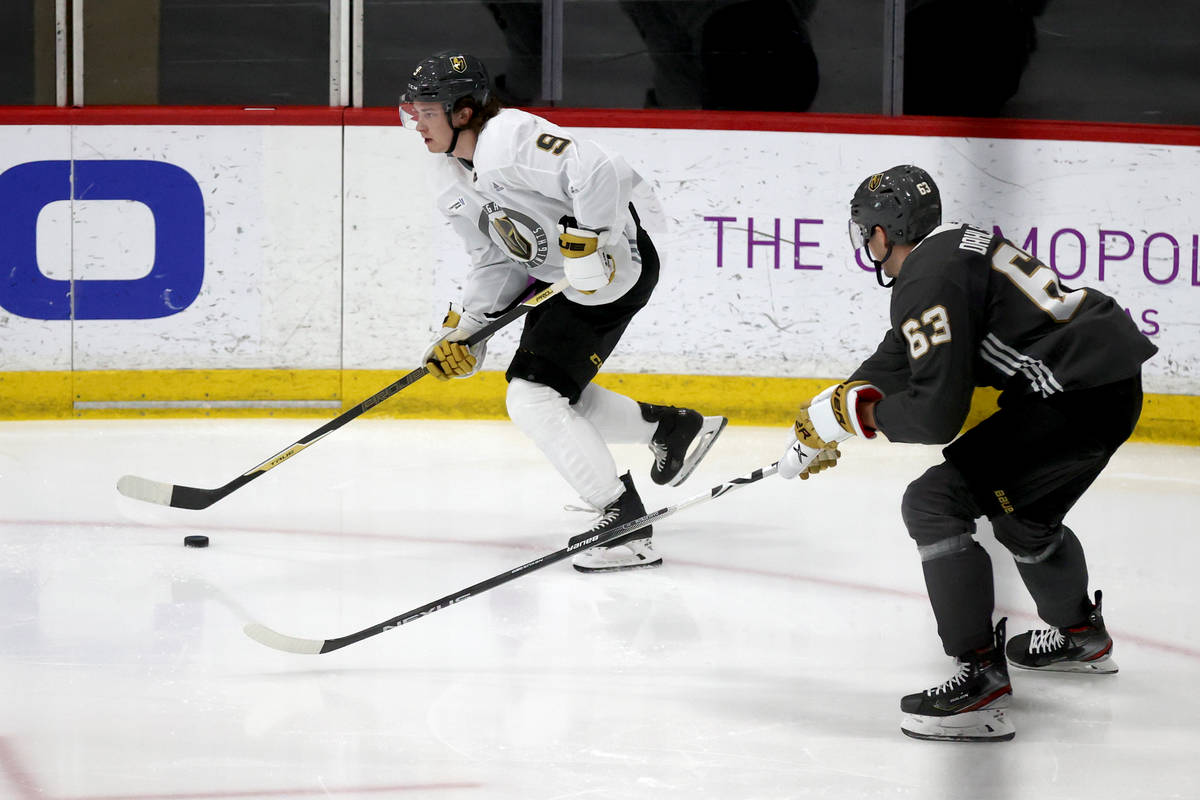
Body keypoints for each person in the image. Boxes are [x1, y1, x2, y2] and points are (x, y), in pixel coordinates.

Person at [776, 165, 1157, 741]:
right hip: (1106, 385)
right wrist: (832, 406)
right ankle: (1081, 637)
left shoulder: (927, 280)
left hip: (1071, 399)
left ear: (884, 232)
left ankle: (979, 680)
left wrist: (860, 419)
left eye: (866, 231)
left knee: (933, 503)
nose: (866, 244)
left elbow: (936, 415)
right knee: (1024, 518)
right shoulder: (951, 247)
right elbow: (901, 350)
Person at [398, 51, 727, 573]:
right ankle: (669, 429)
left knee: (533, 396)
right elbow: (495, 258)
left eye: (427, 111)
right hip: (563, 281)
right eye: (411, 111)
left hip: (616, 270)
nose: (416, 123)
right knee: (545, 388)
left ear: (463, 111)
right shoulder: (447, 175)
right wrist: (468, 333)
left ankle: (624, 525)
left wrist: (591, 245)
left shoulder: (507, 139)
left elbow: (599, 170)